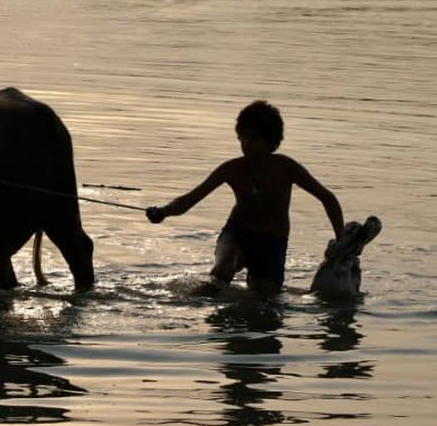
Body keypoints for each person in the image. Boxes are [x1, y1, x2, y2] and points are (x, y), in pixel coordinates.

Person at [146, 100, 344, 294]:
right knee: (222, 271)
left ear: (271, 142)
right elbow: (189, 200)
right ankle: (188, 303)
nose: (246, 144)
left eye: (254, 138)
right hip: (238, 234)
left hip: (273, 241)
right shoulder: (231, 169)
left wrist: (341, 240)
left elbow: (327, 199)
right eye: (243, 137)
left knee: (265, 298)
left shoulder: (286, 168)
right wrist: (163, 212)